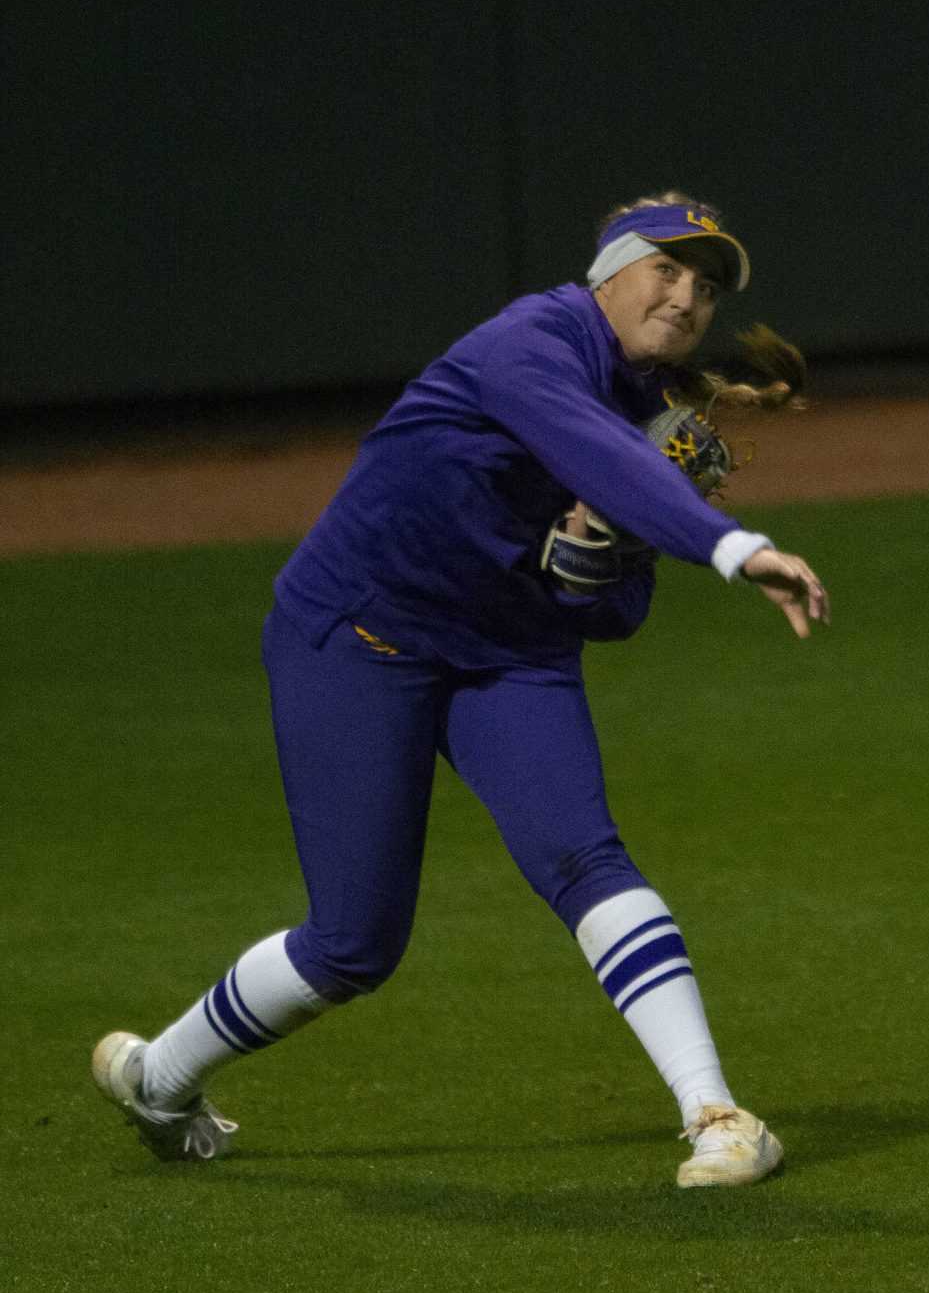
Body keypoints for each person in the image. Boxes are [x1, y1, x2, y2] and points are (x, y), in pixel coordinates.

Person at [91, 192, 828, 1188]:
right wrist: (736, 547)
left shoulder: (659, 426)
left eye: (706, 288)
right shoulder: (529, 341)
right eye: (668, 269)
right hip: (355, 636)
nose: (687, 295)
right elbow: (588, 446)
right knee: (354, 943)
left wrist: (589, 566)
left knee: (585, 856)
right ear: (609, 272)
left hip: (507, 656)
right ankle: (160, 1076)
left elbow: (615, 615)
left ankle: (719, 1115)